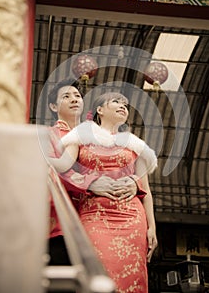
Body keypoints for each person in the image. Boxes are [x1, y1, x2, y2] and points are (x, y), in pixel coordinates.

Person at [49, 91, 158, 292]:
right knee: (98, 272)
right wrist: (35, 152)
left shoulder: (135, 144)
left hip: (132, 218)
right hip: (94, 215)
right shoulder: (80, 135)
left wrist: (152, 228)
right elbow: (63, 165)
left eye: (125, 104)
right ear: (100, 110)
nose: (123, 106)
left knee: (133, 276)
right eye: (115, 101)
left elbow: (146, 191)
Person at [47, 79, 140, 265]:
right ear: (53, 106)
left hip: (102, 219)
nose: (74, 99)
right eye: (66, 96)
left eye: (78, 96)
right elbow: (47, 170)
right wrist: (88, 182)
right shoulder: (47, 135)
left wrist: (134, 182)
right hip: (61, 225)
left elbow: (120, 165)